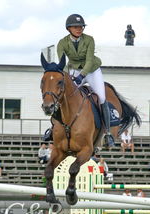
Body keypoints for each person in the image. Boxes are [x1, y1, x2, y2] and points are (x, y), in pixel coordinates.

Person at [57, 14, 114, 147]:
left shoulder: (89, 40)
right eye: (76, 27)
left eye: (81, 26)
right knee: (63, 96)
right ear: (69, 28)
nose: (79, 29)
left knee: (101, 97)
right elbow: (62, 63)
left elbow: (89, 61)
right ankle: (53, 128)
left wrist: (82, 76)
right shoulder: (62, 43)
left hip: (92, 70)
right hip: (74, 70)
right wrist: (68, 77)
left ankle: (108, 133)